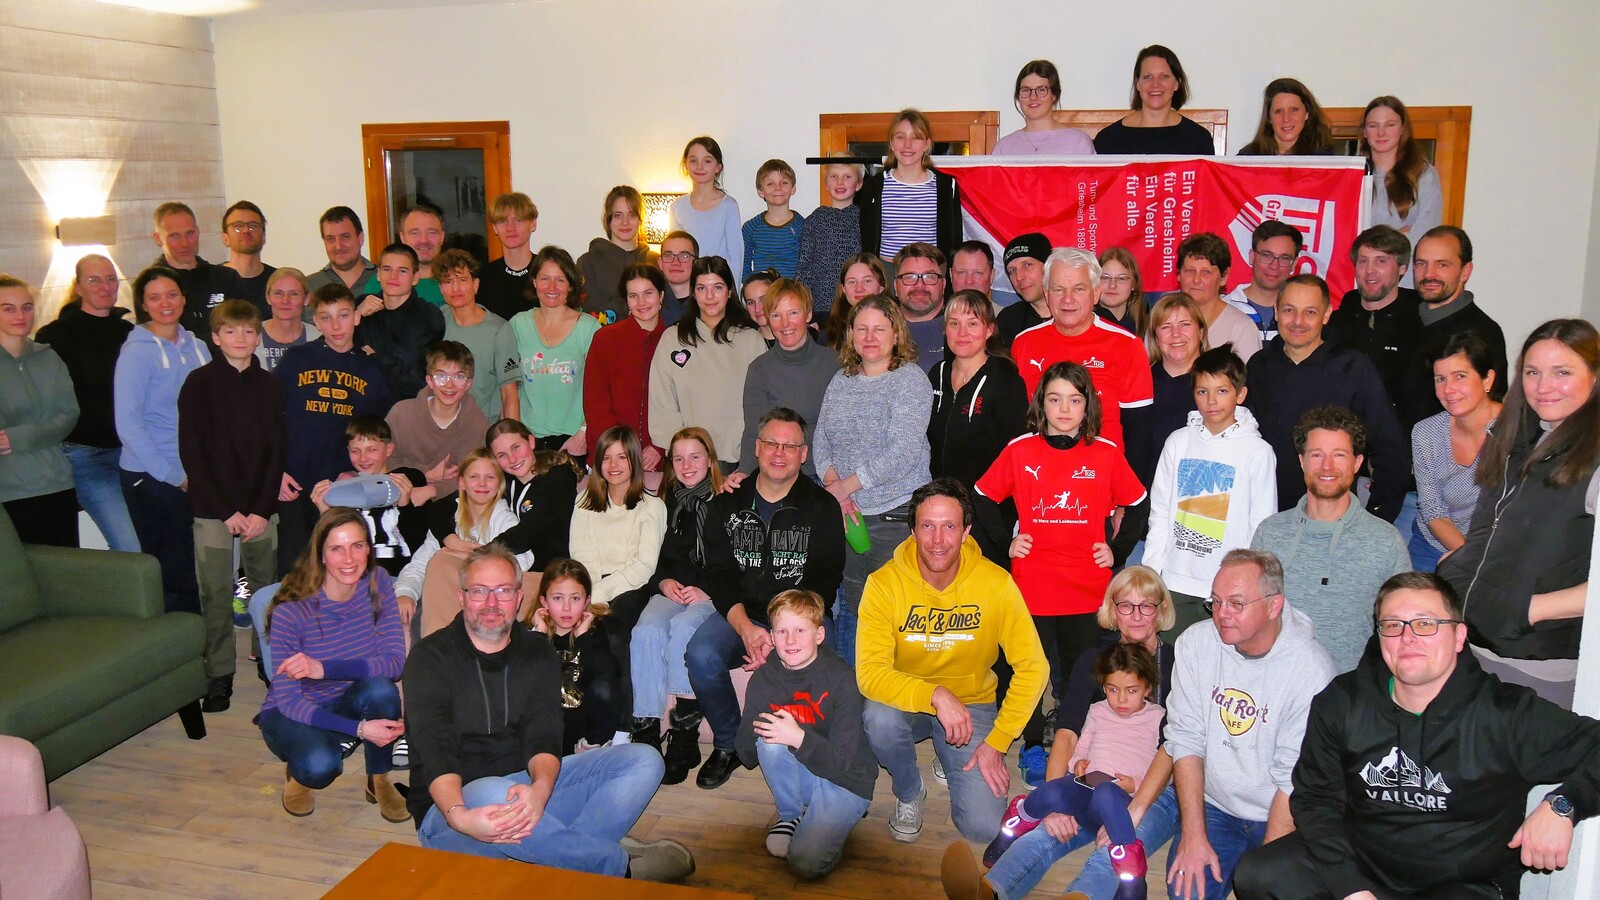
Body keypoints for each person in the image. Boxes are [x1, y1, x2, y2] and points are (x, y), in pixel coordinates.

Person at [1233, 572, 1600, 899]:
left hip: (1464, 882)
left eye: (1425, 624)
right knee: (1260, 874)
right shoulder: (1342, 702)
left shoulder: (1505, 713)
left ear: (1459, 636)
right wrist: (1350, 888)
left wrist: (1563, 805)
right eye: (1392, 625)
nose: (1407, 638)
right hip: (1365, 866)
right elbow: (1316, 800)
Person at [403, 543, 695, 881]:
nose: (492, 603)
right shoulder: (430, 658)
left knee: (645, 760)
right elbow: (434, 749)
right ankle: (616, 867)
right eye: (480, 591)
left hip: (527, 796)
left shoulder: (537, 650)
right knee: (493, 792)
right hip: (456, 811)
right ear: (462, 596)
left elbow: (544, 732)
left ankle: (559, 857)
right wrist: (458, 816)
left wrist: (540, 792)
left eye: (503, 591)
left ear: (518, 597)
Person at [958, 567, 1181, 900]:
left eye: (1146, 605)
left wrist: (1132, 812)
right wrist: (1056, 802)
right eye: (1125, 605)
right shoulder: (1094, 660)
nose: (1135, 616)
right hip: (1095, 782)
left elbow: (1175, 747)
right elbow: (1067, 733)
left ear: (1161, 610)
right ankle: (989, 891)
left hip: (1156, 788)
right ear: (1112, 610)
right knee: (1044, 833)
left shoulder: (1178, 663)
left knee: (1115, 850)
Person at [976, 361, 1147, 783]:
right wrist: (1004, 544)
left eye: (1074, 399)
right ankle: (1033, 743)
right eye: (1055, 399)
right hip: (1033, 583)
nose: (1065, 408)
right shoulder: (1021, 450)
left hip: (1087, 586)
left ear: (1088, 404)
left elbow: (1139, 502)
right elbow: (981, 496)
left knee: (1081, 671)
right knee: (1028, 668)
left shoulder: (1105, 452)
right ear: (1042, 403)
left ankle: (1080, 744)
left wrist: (1117, 551)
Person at [858, 478, 1048, 843]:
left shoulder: (996, 583)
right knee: (876, 717)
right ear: (912, 530)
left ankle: (948, 754)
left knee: (984, 827)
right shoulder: (883, 584)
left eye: (950, 527)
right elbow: (869, 673)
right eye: (927, 526)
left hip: (972, 704)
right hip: (906, 702)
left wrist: (997, 742)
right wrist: (936, 695)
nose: (938, 540)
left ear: (966, 532)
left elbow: (1034, 667)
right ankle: (910, 791)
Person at [1439, 319, 1598, 706]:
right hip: (1474, 647)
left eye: (1562, 372)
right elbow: (1490, 528)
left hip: (1540, 665)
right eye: (1532, 372)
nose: (1543, 387)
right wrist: (1457, 565)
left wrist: (1531, 609)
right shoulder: (1515, 436)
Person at [1163, 549, 1337, 900]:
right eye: (1216, 602)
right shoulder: (1194, 644)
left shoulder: (1312, 671)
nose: (1222, 615)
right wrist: (1193, 837)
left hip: (1282, 811)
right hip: (1215, 807)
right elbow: (1185, 739)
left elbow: (1293, 779)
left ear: (1274, 606)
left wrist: (1267, 872)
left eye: (1236, 603)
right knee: (1185, 891)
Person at [687, 408, 846, 789]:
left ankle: (815, 749)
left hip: (800, 617)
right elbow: (719, 575)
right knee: (701, 654)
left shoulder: (822, 507)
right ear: (756, 448)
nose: (779, 452)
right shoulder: (726, 503)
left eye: (790, 446)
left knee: (825, 666)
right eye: (771, 443)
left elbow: (825, 580)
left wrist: (783, 634)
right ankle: (727, 744)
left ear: (803, 454)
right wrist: (744, 629)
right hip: (743, 612)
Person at [259, 508, 406, 822]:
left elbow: (394, 664)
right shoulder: (292, 610)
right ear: (321, 555)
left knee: (382, 689)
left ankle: (378, 778)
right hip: (294, 711)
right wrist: (360, 729)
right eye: (336, 549)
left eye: (357, 546)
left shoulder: (377, 582)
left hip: (348, 697)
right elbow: (288, 701)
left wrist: (324, 669)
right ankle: (299, 775)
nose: (349, 559)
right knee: (321, 766)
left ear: (369, 548)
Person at [979, 643, 1165, 880]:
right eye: (1112, 689)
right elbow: (1081, 746)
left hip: (1119, 800)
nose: (1120, 699)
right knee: (1051, 791)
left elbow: (1162, 768)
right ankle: (1016, 822)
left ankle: (1131, 876)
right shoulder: (1097, 710)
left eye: (1131, 691)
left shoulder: (1157, 717)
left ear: (1147, 689)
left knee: (1106, 793)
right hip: (1086, 787)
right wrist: (1077, 763)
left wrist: (1135, 784)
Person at [813, 295, 933, 663]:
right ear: (849, 333)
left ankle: (891, 701)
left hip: (893, 517)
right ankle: (854, 697)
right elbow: (821, 437)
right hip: (846, 515)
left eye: (879, 329)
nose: (869, 337)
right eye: (861, 328)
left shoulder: (910, 380)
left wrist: (844, 488)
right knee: (850, 603)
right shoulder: (842, 378)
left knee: (892, 610)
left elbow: (903, 452)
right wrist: (837, 490)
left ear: (896, 334)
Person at [177, 299, 283, 712]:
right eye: (231, 331)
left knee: (265, 590)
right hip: (212, 510)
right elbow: (193, 452)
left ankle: (267, 661)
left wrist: (259, 509)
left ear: (258, 336)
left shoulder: (270, 385)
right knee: (217, 593)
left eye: (249, 331)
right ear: (216, 337)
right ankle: (219, 672)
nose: (241, 339)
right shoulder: (198, 383)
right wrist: (226, 512)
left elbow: (277, 450)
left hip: (261, 509)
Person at [1251, 406, 1410, 673]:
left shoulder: (1386, 542)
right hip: (1276, 686)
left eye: (1339, 455)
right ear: (1301, 460)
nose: (1327, 466)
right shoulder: (1270, 533)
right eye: (1317, 455)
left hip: (1351, 695)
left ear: (1357, 463)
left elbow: (1401, 628)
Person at [736, 589, 877, 879]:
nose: (790, 640)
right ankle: (791, 815)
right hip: (805, 769)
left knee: (804, 862)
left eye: (800, 630)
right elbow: (747, 753)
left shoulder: (841, 679)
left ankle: (834, 819)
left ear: (819, 635)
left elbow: (841, 762)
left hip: (846, 780)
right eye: (782, 631)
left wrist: (798, 737)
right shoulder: (764, 678)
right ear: (771, 638)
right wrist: (760, 732)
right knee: (769, 739)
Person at [1245, 274, 1408, 522]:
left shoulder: (1353, 368)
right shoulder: (1258, 366)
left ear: (1326, 314)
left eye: (1310, 312)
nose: (1298, 321)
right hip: (1262, 516)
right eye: (1289, 310)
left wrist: (1378, 517)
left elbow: (1390, 448)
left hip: (1332, 521)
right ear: (1276, 311)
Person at [1144, 346, 1276, 638]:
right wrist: (1152, 574)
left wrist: (1248, 584)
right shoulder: (1178, 442)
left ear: (1240, 395)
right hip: (1175, 580)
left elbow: (1262, 526)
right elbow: (1161, 512)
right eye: (1202, 392)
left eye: (1222, 391)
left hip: (1227, 587)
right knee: (1171, 667)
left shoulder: (1258, 451)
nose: (1211, 401)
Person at [275, 283, 394, 577]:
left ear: (356, 317)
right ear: (315, 321)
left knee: (341, 568)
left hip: (345, 485)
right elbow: (269, 418)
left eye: (343, 315)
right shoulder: (296, 360)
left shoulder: (371, 369)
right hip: (294, 484)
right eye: (326, 317)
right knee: (295, 568)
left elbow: (379, 432)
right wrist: (275, 470)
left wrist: (361, 473)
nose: (335, 325)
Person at [628, 427, 726, 781]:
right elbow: (654, 558)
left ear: (710, 460)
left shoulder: (727, 500)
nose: (687, 465)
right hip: (672, 590)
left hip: (711, 595)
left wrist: (709, 591)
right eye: (679, 458)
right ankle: (646, 732)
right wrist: (664, 582)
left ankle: (684, 735)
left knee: (685, 629)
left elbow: (736, 564)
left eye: (695, 456)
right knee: (646, 631)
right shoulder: (664, 503)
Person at [116, 265, 210, 612]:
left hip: (191, 474)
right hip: (152, 477)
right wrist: (173, 475)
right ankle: (180, 647)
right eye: (154, 297)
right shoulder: (137, 352)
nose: (165, 303)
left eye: (172, 294)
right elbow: (128, 424)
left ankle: (196, 638)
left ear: (184, 298)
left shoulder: (198, 346)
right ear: (144, 304)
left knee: (193, 564)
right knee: (172, 574)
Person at [35, 254, 138, 552]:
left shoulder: (130, 333)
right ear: (78, 286)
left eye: (110, 279)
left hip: (131, 452)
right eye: (94, 280)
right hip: (86, 457)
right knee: (131, 545)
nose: (105, 286)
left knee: (160, 534)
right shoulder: (55, 336)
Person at [1011, 247, 1154, 455]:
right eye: (1058, 289)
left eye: (1078, 289)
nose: (1067, 299)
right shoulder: (1023, 343)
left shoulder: (1127, 345)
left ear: (1096, 293)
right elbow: (1016, 423)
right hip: (1040, 475)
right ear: (1047, 294)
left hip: (1103, 477)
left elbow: (1139, 433)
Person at [927, 289, 1029, 563]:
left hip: (989, 513)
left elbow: (1018, 454)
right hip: (942, 511)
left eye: (972, 323)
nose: (962, 332)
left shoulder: (1006, 379)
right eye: (954, 323)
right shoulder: (936, 374)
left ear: (989, 330)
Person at [648, 255, 767, 471]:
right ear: (693, 292)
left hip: (740, 462)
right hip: (687, 462)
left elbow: (762, 407)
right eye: (702, 288)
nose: (710, 296)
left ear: (730, 291)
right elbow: (661, 403)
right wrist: (684, 452)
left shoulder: (751, 340)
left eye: (718, 287)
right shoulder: (672, 338)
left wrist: (749, 458)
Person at [400, 449, 528, 638]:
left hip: (488, 603)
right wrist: (405, 593)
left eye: (490, 477)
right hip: (449, 598)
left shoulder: (505, 520)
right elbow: (420, 564)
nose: (482, 484)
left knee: (442, 562)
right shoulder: (447, 520)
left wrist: (460, 555)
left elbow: (523, 562)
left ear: (500, 483)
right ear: (462, 482)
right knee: (406, 615)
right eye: (474, 476)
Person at [1409, 332, 1499, 572]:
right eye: (1440, 379)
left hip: (1497, 550)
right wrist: (1468, 559)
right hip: (1433, 543)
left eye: (1460, 376)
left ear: (1487, 379)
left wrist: (1482, 563)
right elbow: (1432, 509)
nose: (1449, 389)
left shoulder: (1515, 430)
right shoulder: (1425, 433)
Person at [495, 245, 598, 455]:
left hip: (571, 442)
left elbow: (601, 388)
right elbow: (506, 388)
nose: (552, 287)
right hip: (526, 441)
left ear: (570, 285)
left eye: (560, 279)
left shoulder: (589, 328)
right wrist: (511, 439)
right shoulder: (517, 325)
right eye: (544, 279)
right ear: (534, 282)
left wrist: (584, 434)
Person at [0, 273, 78, 547]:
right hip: (10, 491)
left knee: (66, 574)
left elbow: (68, 415)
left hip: (57, 482)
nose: (20, 315)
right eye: (8, 309)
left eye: (27, 307)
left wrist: (19, 437)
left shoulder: (48, 356)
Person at [1403, 226, 1508, 428]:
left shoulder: (1482, 331)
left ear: (1465, 271)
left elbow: (1489, 411)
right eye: (1421, 263)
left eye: (1442, 265)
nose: (1429, 274)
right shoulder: (1404, 318)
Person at [740, 278, 839, 479]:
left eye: (793, 313)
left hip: (829, 474)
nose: (785, 324)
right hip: (778, 475)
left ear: (808, 314)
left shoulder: (835, 364)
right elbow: (753, 431)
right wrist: (744, 472)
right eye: (776, 315)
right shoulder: (759, 369)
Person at [308, 417, 429, 581]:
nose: (363, 459)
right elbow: (327, 550)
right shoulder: (343, 489)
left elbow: (419, 542)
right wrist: (324, 511)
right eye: (355, 451)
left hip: (398, 577)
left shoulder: (408, 479)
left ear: (388, 449)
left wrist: (405, 504)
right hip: (352, 578)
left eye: (372, 450)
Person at [568, 424, 667, 615]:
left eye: (621, 457)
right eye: (606, 458)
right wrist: (591, 593)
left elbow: (644, 567)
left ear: (634, 460)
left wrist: (597, 594)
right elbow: (581, 554)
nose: (613, 465)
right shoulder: (583, 501)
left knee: (612, 628)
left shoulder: (652, 506)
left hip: (633, 587)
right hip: (589, 583)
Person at [528, 558, 623, 754]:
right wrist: (539, 637)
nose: (566, 607)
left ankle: (592, 749)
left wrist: (585, 639)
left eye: (575, 598)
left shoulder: (597, 629)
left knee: (604, 683)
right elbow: (524, 683)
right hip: (543, 736)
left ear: (587, 600)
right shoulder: (530, 633)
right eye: (557, 598)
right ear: (544, 601)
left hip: (584, 738)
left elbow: (608, 681)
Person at [1324, 225, 1421, 412]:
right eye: (1363, 261)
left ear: (1402, 268)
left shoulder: (1420, 322)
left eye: (1381, 261)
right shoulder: (1335, 323)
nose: (1370, 271)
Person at [584, 265, 669, 478]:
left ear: (661, 295)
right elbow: (595, 402)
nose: (641, 303)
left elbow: (682, 402)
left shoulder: (675, 340)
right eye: (633, 295)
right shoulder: (606, 339)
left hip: (660, 458)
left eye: (648, 293)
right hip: (611, 456)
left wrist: (660, 447)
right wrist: (621, 452)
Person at [386, 341, 490, 497]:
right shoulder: (401, 414)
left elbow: (476, 476)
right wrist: (424, 475)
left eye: (459, 377)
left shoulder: (478, 425)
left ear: (468, 384)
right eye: (441, 376)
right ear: (429, 380)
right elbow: (385, 461)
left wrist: (433, 490)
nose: (449, 385)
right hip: (400, 500)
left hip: (453, 505)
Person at [857, 109, 964, 260]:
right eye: (900, 137)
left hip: (929, 275)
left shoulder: (946, 186)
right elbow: (866, 239)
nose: (907, 145)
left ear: (927, 144)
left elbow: (954, 240)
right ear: (892, 144)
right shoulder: (873, 187)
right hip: (886, 273)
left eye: (915, 138)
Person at [1360, 96, 1442, 283]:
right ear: (1364, 131)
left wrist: (1377, 243)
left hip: (1406, 282)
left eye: (1390, 125)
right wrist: (1399, 235)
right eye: (1373, 125)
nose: (1381, 133)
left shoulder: (1423, 174)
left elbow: (1426, 233)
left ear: (1402, 129)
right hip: (1362, 282)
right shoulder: (1352, 175)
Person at [485, 418, 581, 576]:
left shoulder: (559, 477)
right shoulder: (505, 480)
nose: (512, 459)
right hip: (517, 569)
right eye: (502, 455)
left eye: (516, 447)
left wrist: (485, 551)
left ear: (530, 441)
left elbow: (530, 531)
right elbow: (452, 503)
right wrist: (452, 539)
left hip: (556, 574)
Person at [355, 242, 446, 400]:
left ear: (415, 278)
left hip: (406, 410)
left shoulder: (429, 317)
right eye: (387, 269)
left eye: (402, 271)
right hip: (362, 404)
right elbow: (336, 353)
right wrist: (355, 317)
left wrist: (375, 358)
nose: (393, 276)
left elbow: (419, 381)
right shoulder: (360, 306)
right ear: (378, 274)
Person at [149, 201, 243, 354]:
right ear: (158, 238)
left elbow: (245, 328)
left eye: (189, 233)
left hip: (227, 369)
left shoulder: (226, 278)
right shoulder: (150, 286)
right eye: (174, 236)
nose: (184, 243)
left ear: (198, 232)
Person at [1093, 45, 1214, 156]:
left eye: (1164, 76)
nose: (1155, 84)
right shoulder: (1108, 140)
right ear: (1137, 84)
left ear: (1177, 83)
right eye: (1147, 77)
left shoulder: (1198, 139)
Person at [1141, 293, 1209, 489]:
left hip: (1205, 499)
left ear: (1201, 332)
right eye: (1166, 327)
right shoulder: (1140, 383)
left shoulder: (1220, 384)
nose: (1176, 334)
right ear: (1155, 336)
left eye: (1185, 324)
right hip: (1148, 500)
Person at [429, 249, 506, 418]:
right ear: (441, 288)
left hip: (483, 430)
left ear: (475, 284)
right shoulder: (433, 322)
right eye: (448, 282)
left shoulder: (499, 330)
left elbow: (509, 395)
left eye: (463, 280)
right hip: (441, 427)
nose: (456, 288)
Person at [797, 155, 865, 322]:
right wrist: (805, 306)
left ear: (858, 184)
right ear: (826, 184)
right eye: (834, 177)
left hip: (857, 303)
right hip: (821, 305)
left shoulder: (864, 219)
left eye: (847, 177)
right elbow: (804, 265)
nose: (840, 182)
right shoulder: (815, 219)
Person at [1175, 233, 1262, 362]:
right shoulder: (1163, 321)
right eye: (1189, 271)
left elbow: (1252, 380)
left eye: (1206, 272)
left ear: (1224, 277)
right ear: (1178, 275)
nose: (1196, 280)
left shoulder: (1241, 328)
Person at [578, 186, 659, 323]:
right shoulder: (588, 263)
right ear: (608, 220)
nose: (625, 222)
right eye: (617, 215)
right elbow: (591, 317)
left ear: (641, 219)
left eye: (632, 215)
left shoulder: (657, 261)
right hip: (608, 341)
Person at [669, 136, 743, 277]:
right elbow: (675, 254)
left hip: (718, 285)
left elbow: (736, 257)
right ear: (686, 165)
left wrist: (732, 294)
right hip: (687, 287)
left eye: (707, 161)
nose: (699, 166)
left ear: (718, 167)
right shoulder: (677, 207)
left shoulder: (729, 206)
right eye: (693, 160)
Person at [993, 59, 1096, 156]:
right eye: (1026, 90)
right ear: (1018, 96)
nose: (1033, 97)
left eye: (1041, 90)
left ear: (1054, 95)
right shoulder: (1004, 148)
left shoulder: (1078, 143)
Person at [1222, 220, 1301, 344]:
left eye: (1284, 258)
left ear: (1294, 264)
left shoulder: (1302, 318)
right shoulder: (1223, 309)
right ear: (1252, 256)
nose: (1274, 266)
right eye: (1266, 255)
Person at [1236, 78, 1333, 156]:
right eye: (1278, 111)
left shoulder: (1324, 159)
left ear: (1307, 113)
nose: (1286, 119)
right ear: (1269, 117)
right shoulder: (1248, 158)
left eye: (1294, 110)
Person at [479, 192, 537, 321]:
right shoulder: (484, 277)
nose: (510, 227)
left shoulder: (547, 272)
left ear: (533, 224)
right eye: (503, 221)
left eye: (518, 220)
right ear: (494, 228)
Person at [742, 159, 805, 278]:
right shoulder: (750, 227)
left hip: (792, 292)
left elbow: (807, 266)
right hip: (762, 294)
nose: (778, 188)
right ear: (761, 191)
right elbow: (744, 265)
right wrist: (751, 289)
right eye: (770, 184)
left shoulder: (803, 226)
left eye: (784, 183)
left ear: (793, 188)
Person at [894, 242, 949, 372]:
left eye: (929, 277)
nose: (919, 285)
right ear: (895, 286)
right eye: (910, 277)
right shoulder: (876, 331)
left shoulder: (963, 331)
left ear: (944, 284)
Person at [255, 267, 320, 372]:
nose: (285, 300)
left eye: (294, 294)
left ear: (307, 299)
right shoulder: (249, 335)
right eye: (278, 293)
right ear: (268, 298)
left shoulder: (319, 339)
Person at [821, 252, 890, 350]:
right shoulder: (827, 335)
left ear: (881, 286)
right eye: (852, 282)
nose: (859, 289)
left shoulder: (897, 328)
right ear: (843, 289)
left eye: (867, 281)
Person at [307, 205, 378, 298]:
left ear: (360, 238)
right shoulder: (309, 287)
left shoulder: (386, 280)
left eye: (345, 236)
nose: (338, 246)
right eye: (330, 239)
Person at [996, 233, 1051, 347]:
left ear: (1049, 266)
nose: (1019, 277)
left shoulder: (1079, 312)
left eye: (1027, 265)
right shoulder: (1008, 320)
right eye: (1012, 271)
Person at [220, 200, 275, 313]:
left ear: (263, 236)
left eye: (253, 226)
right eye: (238, 226)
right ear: (225, 238)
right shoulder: (212, 280)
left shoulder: (277, 281)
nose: (246, 230)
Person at [396, 204, 448, 306]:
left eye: (432, 233)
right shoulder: (385, 282)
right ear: (402, 238)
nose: (424, 240)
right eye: (415, 233)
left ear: (442, 237)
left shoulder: (461, 284)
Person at [1096, 247, 1147, 337]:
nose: (1112, 285)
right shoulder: (1080, 325)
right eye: (1105, 277)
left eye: (1121, 278)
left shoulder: (1149, 327)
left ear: (1134, 284)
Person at [657, 230, 698, 327]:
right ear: (660, 263)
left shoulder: (708, 303)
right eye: (668, 255)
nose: (675, 262)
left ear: (696, 262)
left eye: (684, 256)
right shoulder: (649, 304)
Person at [742, 269, 778, 345]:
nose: (757, 309)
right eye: (751, 302)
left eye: (763, 300)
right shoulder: (744, 342)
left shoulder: (801, 337)